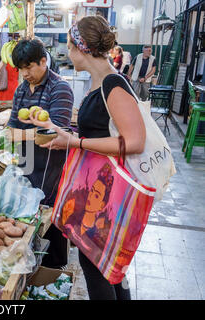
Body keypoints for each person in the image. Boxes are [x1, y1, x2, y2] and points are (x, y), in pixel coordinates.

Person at [23, 15, 146, 300]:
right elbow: (100, 130)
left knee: (98, 271)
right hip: (99, 191)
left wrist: (77, 142)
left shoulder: (113, 84)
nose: (67, 52)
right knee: (109, 271)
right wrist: (58, 132)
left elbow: (135, 141)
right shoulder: (99, 82)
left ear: (82, 47)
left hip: (109, 197)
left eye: (69, 45)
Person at [7, 39, 74, 269]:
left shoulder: (60, 88)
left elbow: (58, 135)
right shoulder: (22, 90)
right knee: (27, 215)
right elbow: (10, 131)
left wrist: (24, 134)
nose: (25, 73)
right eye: (21, 68)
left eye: (29, 67)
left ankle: (54, 270)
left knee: (51, 216)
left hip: (51, 166)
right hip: (26, 160)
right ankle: (31, 267)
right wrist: (34, 134)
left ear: (43, 61)